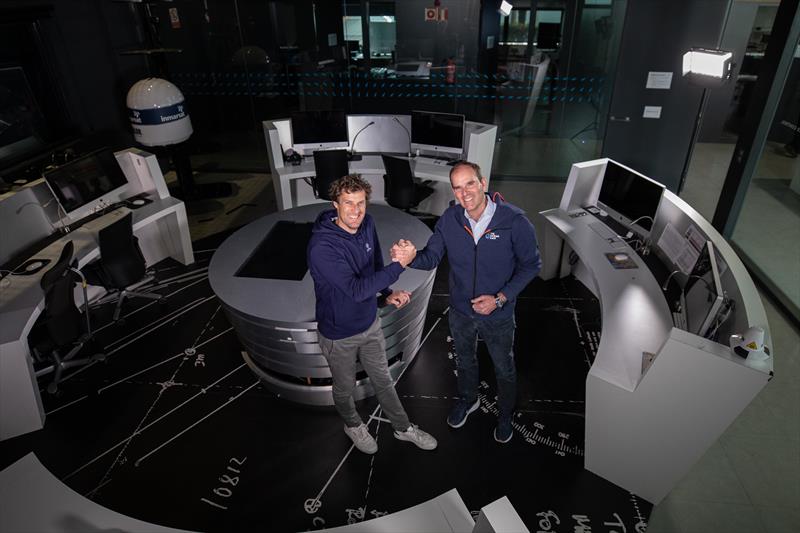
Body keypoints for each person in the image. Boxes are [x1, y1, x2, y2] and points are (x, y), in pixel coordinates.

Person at [392, 161, 541, 443]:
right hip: (460, 311)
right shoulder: (450, 219)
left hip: (497, 314)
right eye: (458, 187)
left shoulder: (514, 221)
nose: (464, 193)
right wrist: (410, 258)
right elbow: (431, 258)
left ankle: (506, 414)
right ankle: (468, 399)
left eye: (470, 184)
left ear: (483, 184)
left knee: (503, 366)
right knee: (465, 360)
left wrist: (499, 299)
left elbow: (532, 265)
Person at [307, 174, 437, 454]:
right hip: (338, 334)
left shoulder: (367, 223)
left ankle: (403, 428)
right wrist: (400, 264)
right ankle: (352, 425)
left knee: (383, 380)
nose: (356, 211)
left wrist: (388, 291)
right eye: (348, 204)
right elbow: (355, 289)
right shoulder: (322, 247)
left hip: (369, 324)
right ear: (335, 205)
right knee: (344, 388)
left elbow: (374, 264)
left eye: (361, 203)